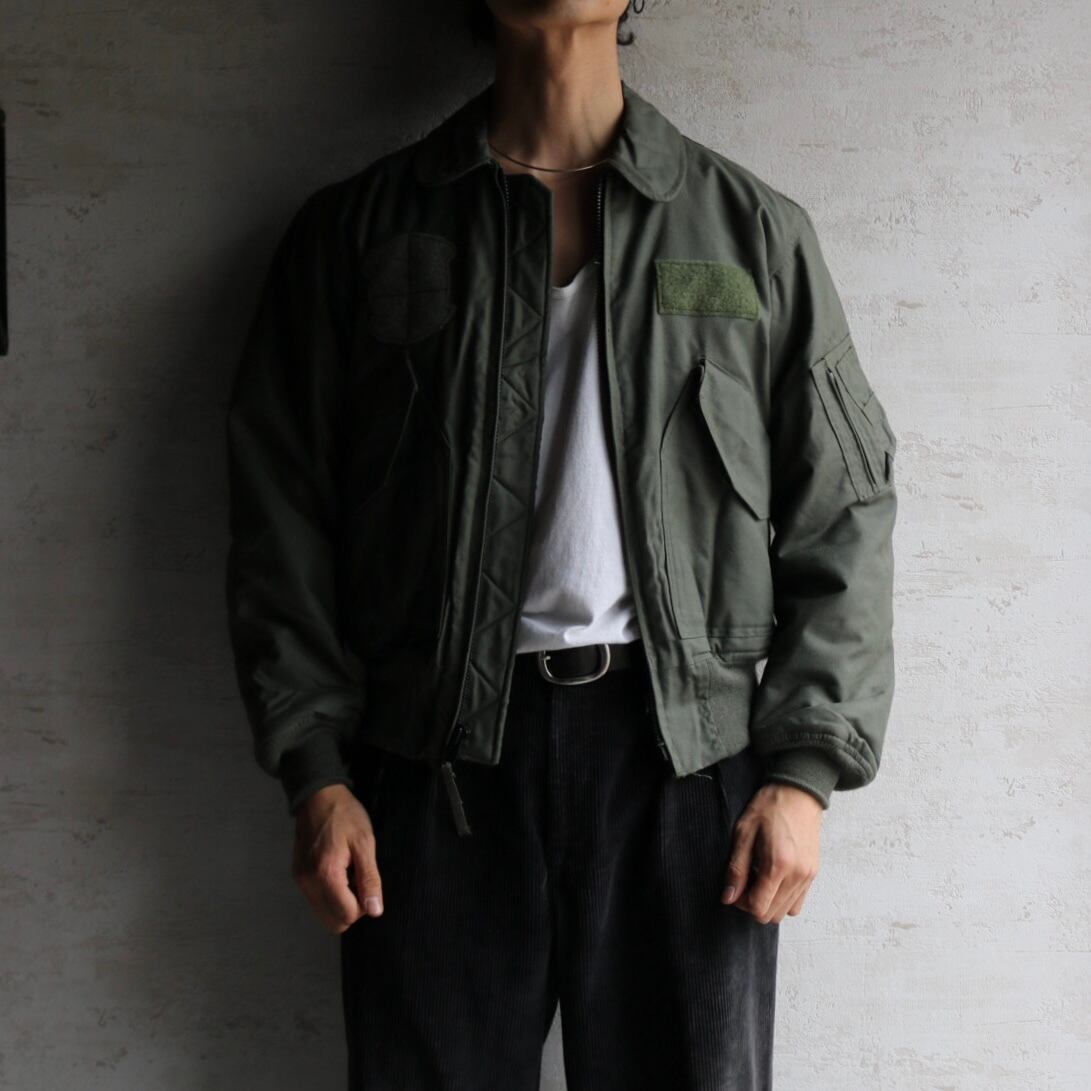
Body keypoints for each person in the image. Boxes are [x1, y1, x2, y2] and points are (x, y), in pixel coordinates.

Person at [224, 2, 899, 1087]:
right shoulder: (359, 231)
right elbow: (279, 512)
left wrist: (802, 773)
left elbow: (843, 512)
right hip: (431, 772)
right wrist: (315, 771)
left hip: (685, 771)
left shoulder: (750, 232)